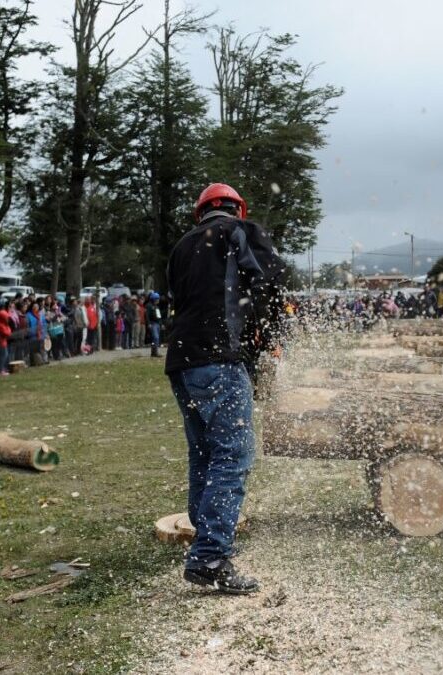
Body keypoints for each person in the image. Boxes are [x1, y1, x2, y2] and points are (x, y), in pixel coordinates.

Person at [166, 183, 285, 594]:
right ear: (236, 209)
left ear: (201, 212)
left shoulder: (182, 246)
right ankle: (210, 556)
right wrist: (268, 333)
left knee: (204, 452)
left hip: (181, 363)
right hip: (218, 358)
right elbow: (269, 280)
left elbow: (186, 297)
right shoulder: (240, 232)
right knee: (233, 453)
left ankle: (206, 536)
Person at [146, 292, 162, 357]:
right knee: (156, 337)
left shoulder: (157, 307)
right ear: (154, 299)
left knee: (154, 338)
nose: (158, 300)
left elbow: (159, 316)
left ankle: (153, 352)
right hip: (153, 323)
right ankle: (156, 352)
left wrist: (161, 323)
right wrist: (149, 323)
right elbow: (147, 315)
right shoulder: (149, 306)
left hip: (158, 324)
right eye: (157, 299)